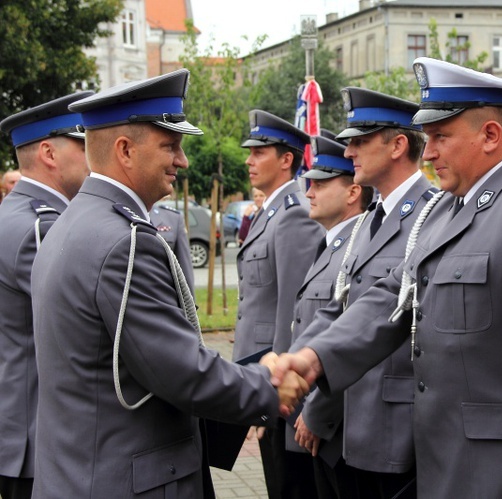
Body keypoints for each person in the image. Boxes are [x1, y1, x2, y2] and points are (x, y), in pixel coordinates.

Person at [275, 57, 502, 499]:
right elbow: (393, 299)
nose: (429, 152)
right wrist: (315, 357)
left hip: (492, 471)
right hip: (437, 459)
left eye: (440, 136)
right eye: (427, 138)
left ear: (491, 136)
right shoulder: (443, 208)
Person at [29, 69, 306, 499]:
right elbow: (181, 373)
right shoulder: (126, 241)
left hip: (81, 472)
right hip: (125, 480)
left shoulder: (71, 224)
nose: (183, 160)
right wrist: (268, 384)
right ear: (124, 150)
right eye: (170, 146)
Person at [291, 86, 437, 499]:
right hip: (352, 422)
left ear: (397, 145)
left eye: (359, 141)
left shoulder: (430, 216)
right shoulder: (369, 220)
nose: (349, 151)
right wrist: (290, 367)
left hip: (395, 429)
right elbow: (339, 309)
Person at [0, 91, 92, 499]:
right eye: (85, 143)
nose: (95, 154)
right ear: (49, 153)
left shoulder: (11, 214)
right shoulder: (43, 227)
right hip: (38, 441)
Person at [234, 109, 324, 499]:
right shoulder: (269, 212)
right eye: (249, 152)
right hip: (261, 377)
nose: (249, 160)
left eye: (259, 152)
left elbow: (295, 311)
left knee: (288, 484)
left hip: (280, 380)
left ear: (287, 159)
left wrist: (281, 387)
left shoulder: (292, 217)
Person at [290, 134, 373, 498]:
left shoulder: (357, 249)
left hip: (337, 426)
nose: (309, 192)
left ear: (353, 192)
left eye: (320, 185)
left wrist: (319, 413)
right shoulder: (332, 245)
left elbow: (356, 338)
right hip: (318, 420)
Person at [150, 201, 194, 292]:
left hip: (163, 300)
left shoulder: (173, 218)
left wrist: (190, 304)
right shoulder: (114, 215)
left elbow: (184, 269)